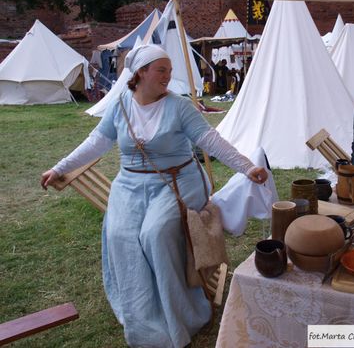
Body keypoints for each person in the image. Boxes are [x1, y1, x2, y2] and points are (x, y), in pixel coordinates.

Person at [40, 44, 268, 348]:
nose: (168, 76)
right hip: (130, 185)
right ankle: (142, 314)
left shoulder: (179, 106)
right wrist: (59, 168)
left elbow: (210, 140)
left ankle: (180, 312)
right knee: (120, 235)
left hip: (179, 180)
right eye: (161, 70)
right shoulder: (121, 104)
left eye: (169, 70)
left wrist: (247, 167)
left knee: (156, 233)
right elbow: (97, 141)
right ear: (141, 73)